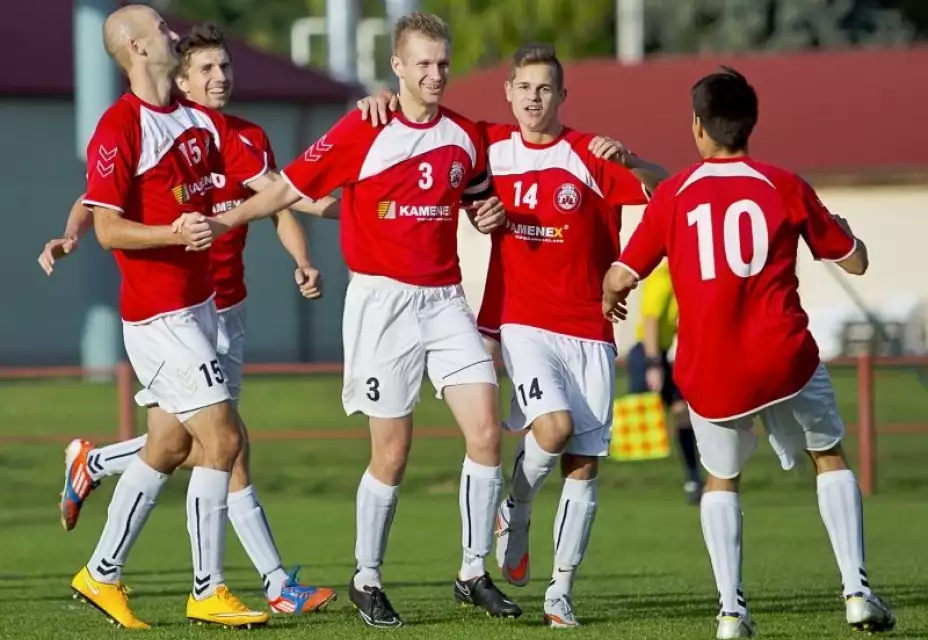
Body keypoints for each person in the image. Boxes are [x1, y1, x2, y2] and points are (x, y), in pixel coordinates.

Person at [174, 11, 521, 628]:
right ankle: (367, 578)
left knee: (488, 432)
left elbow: (476, 197)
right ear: (397, 67)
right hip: (381, 304)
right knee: (392, 453)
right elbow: (288, 188)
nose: (435, 74)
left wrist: (487, 215)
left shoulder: (465, 136)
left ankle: (472, 571)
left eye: (442, 63)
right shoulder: (364, 128)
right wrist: (226, 221)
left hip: (444, 300)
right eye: (422, 64)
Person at [361, 43, 666, 628]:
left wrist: (632, 167)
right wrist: (380, 100)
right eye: (523, 86)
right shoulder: (487, 144)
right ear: (508, 91)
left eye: (545, 88)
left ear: (560, 96)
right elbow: (422, 120)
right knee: (552, 427)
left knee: (582, 464)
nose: (533, 97)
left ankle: (560, 593)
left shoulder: (589, 154)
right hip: (521, 321)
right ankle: (517, 505)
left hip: (590, 328)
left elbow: (667, 194)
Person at [39, 23, 338, 616]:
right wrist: (159, 232)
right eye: (158, 26)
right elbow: (105, 221)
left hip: (205, 308)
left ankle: (101, 571)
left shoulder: (197, 122)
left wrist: (361, 196)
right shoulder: (120, 124)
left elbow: (278, 190)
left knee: (171, 444)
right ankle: (213, 590)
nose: (170, 30)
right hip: (160, 315)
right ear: (139, 48)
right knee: (224, 441)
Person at [602, 67, 894, 639]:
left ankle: (732, 611)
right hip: (784, 358)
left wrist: (613, 298)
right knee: (828, 456)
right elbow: (855, 261)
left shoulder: (675, 194)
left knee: (721, 480)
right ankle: (857, 593)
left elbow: (620, 275)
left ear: (698, 127)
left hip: (711, 368)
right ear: (750, 124)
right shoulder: (784, 184)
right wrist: (846, 232)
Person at [626, 258, 703, 503]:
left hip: (662, 354)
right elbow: (650, 321)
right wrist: (653, 365)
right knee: (636, 422)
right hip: (646, 354)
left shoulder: (685, 278)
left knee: (682, 412)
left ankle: (693, 479)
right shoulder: (663, 278)